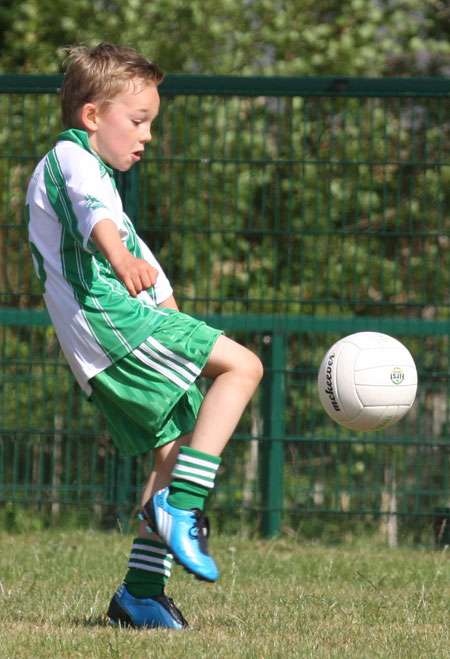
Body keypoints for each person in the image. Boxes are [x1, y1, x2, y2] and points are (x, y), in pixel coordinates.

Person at [26, 42, 263, 630]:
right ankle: (182, 507)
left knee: (175, 447)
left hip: (109, 330)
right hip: (110, 322)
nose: (147, 135)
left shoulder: (95, 170)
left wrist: (164, 303)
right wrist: (123, 262)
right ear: (90, 116)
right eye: (137, 121)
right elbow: (97, 220)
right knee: (244, 368)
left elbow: (127, 238)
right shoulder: (71, 160)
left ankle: (140, 593)